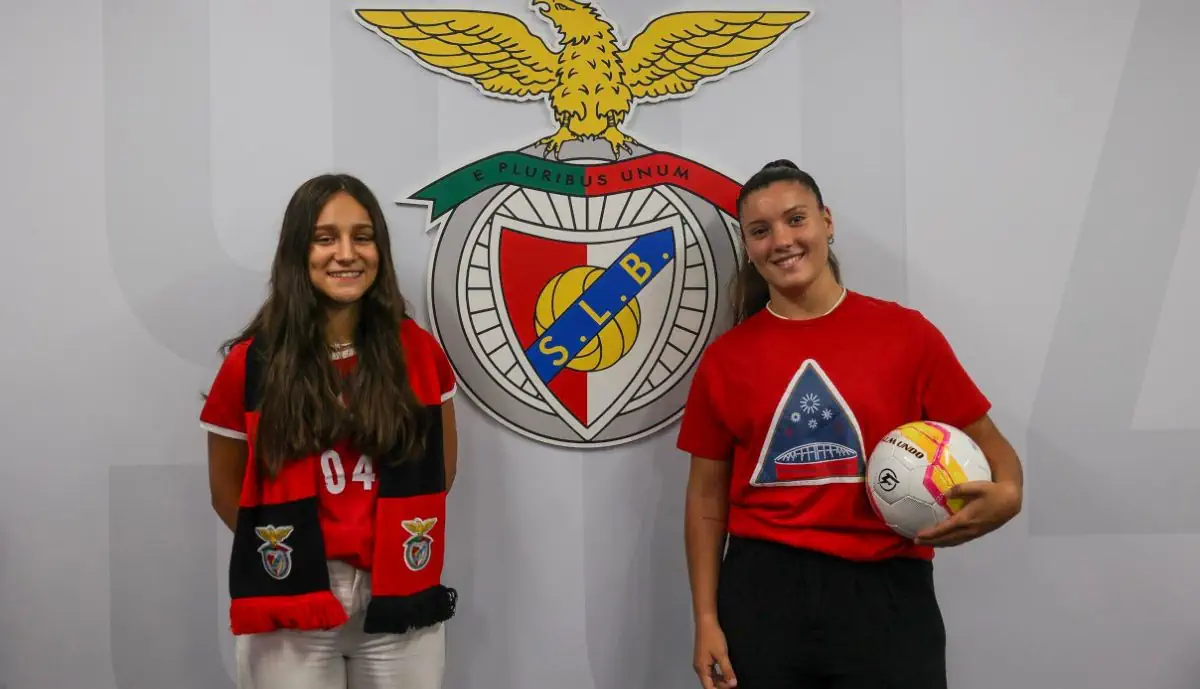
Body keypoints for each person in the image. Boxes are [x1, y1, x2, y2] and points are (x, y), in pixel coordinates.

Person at [678, 160, 1023, 689]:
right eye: (760, 230)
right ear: (748, 246)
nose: (782, 241)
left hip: (886, 593)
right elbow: (706, 500)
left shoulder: (907, 335)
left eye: (797, 220)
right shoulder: (726, 360)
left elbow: (993, 450)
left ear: (827, 222)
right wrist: (706, 619)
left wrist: (1010, 495)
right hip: (762, 594)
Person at [200, 173, 459, 689]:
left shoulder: (420, 354)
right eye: (325, 238)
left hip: (398, 589)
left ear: (379, 250)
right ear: (299, 251)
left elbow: (442, 469)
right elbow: (226, 490)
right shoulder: (251, 365)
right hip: (292, 597)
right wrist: (289, 552)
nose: (346, 253)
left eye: (362, 237)